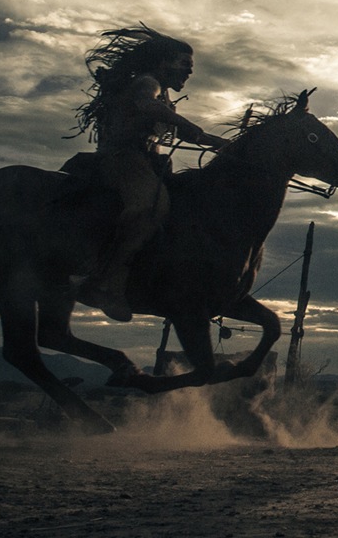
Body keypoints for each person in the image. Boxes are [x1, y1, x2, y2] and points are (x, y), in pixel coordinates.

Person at [68, 25, 228, 321]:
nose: (189, 72)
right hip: (123, 159)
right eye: (185, 64)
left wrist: (219, 143)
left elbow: (183, 128)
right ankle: (103, 280)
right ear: (163, 62)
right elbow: (146, 104)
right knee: (150, 206)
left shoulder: (162, 92)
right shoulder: (147, 83)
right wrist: (193, 129)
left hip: (148, 161)